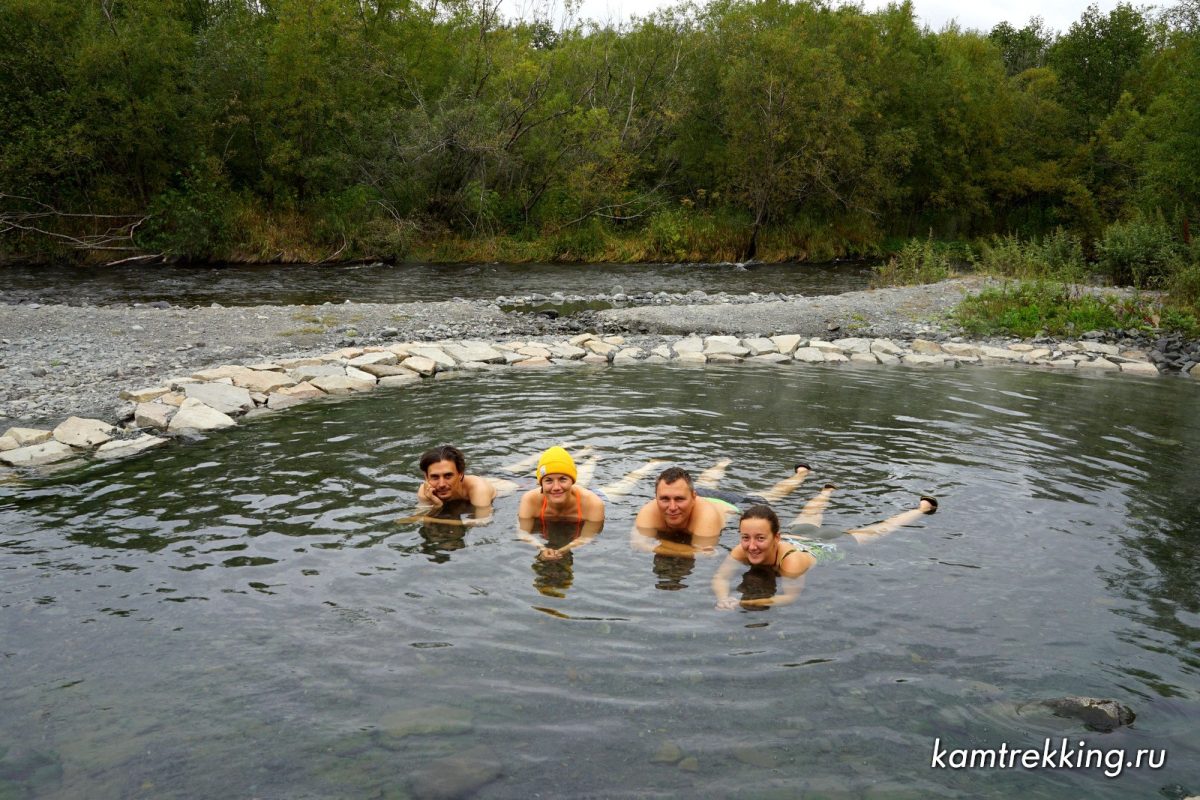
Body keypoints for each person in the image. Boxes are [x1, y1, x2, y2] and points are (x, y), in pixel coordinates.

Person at [713, 494, 938, 610]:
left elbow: (789, 597)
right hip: (799, 533)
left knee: (879, 530)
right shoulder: (743, 549)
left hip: (829, 545)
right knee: (809, 513)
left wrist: (744, 603)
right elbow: (721, 577)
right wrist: (724, 598)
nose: (751, 546)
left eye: (760, 538)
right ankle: (827, 491)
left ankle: (923, 508)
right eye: (746, 537)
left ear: (775, 537)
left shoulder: (791, 563)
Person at [517, 446, 605, 561]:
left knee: (625, 483)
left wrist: (563, 550)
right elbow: (523, 533)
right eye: (548, 480)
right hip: (571, 492)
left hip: (599, 495)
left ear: (572, 481)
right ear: (541, 483)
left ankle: (594, 459)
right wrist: (542, 548)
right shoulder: (530, 500)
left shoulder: (593, 503)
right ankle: (591, 457)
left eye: (563, 479)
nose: (556, 487)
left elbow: (587, 537)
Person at [631, 466, 735, 558]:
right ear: (656, 498)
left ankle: (722, 464)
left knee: (749, 497)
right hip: (685, 492)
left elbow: (704, 554)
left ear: (694, 497)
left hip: (726, 502)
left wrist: (655, 544)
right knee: (705, 483)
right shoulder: (648, 511)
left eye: (679, 499)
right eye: (665, 499)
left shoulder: (707, 516)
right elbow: (637, 544)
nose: (672, 507)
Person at [406, 444, 497, 526]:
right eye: (435, 477)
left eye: (448, 476)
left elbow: (483, 521)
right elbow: (419, 518)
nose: (441, 484)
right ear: (426, 477)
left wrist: (436, 519)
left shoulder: (479, 489)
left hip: (503, 483)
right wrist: (437, 506)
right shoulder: (425, 491)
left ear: (460, 474)